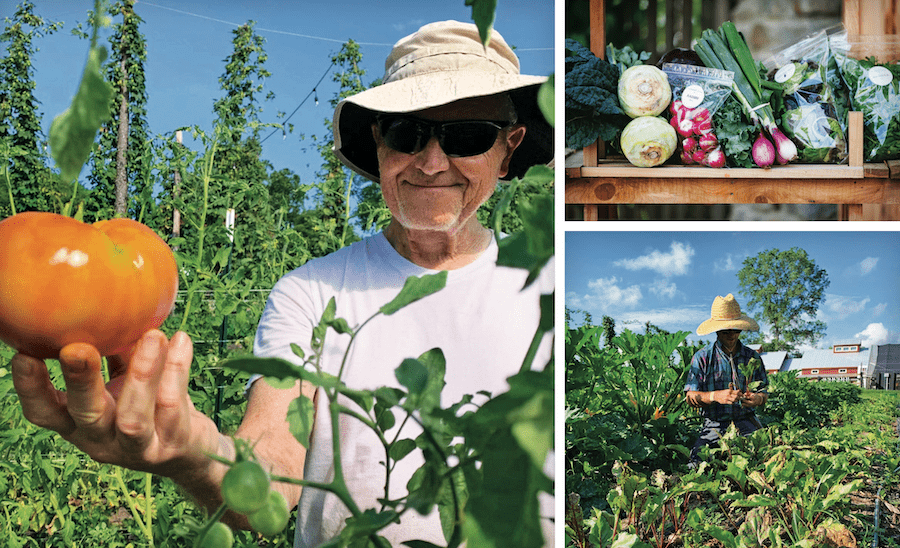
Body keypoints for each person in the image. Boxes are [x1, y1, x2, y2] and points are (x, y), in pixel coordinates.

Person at [9, 20, 553, 548]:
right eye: (407, 134)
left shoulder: (551, 287)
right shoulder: (312, 290)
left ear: (509, 149)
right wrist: (191, 453)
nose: (432, 162)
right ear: (379, 141)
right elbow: (274, 469)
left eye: (467, 137)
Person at [684, 294, 769, 464]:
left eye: (735, 329)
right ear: (716, 330)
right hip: (714, 424)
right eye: (725, 330)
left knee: (766, 457)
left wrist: (757, 399)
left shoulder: (752, 357)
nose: (731, 334)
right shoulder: (702, 357)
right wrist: (715, 396)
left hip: (746, 421)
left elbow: (764, 393)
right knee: (697, 462)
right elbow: (690, 397)